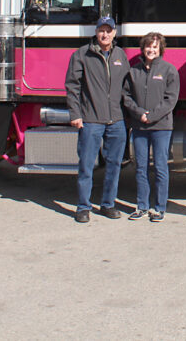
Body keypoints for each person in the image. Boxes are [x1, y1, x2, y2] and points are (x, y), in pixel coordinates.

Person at [65, 16, 130, 223]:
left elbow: (128, 87)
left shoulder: (121, 55)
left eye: (108, 31)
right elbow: (72, 87)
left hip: (116, 121)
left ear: (114, 33)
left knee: (114, 165)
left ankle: (108, 204)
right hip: (91, 120)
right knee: (86, 165)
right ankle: (83, 207)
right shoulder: (82, 54)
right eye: (101, 30)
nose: (105, 34)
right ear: (96, 32)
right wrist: (75, 114)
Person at [123, 32, 180, 222]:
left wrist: (152, 116)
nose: (151, 50)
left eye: (155, 47)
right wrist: (140, 114)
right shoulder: (133, 71)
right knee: (140, 167)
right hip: (140, 127)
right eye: (148, 46)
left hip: (161, 127)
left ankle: (160, 208)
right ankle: (142, 206)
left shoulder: (169, 70)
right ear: (143, 48)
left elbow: (170, 100)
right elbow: (127, 97)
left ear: (160, 49)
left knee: (161, 168)